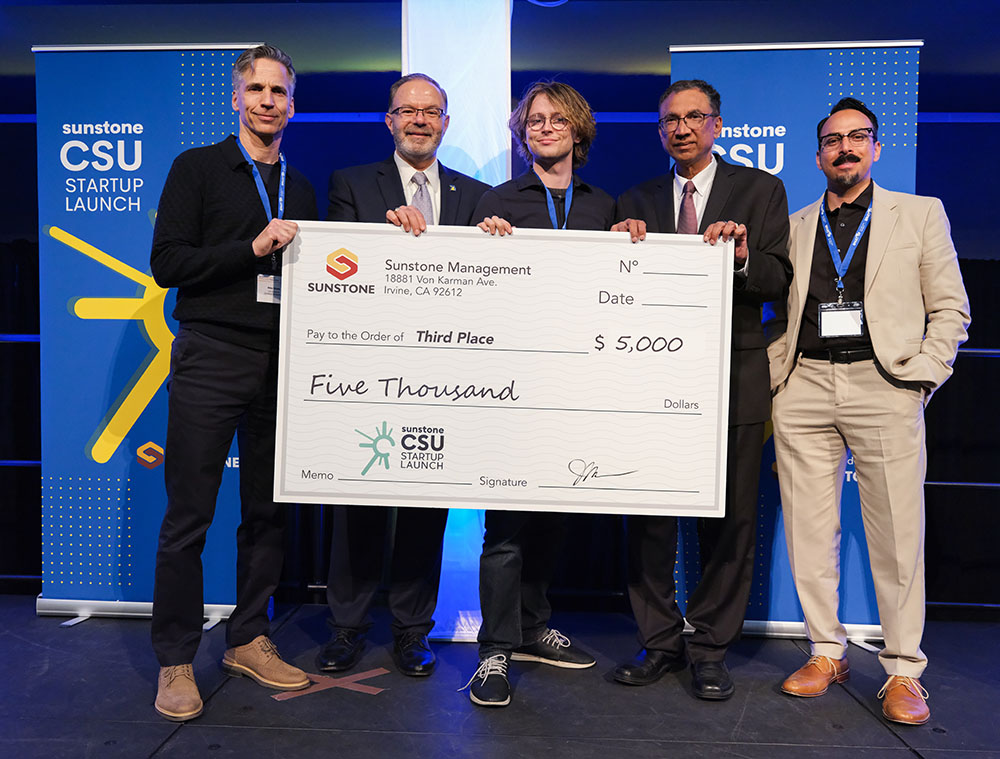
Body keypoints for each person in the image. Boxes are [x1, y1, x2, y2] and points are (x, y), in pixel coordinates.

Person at [769, 98, 970, 725]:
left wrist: (921, 379)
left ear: (877, 148)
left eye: (858, 137)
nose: (845, 147)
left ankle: (904, 668)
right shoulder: (797, 222)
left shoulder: (920, 214)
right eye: (833, 139)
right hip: (803, 383)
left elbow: (952, 309)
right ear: (819, 153)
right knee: (807, 530)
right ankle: (826, 650)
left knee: (897, 535)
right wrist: (780, 381)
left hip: (885, 383)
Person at [149, 44, 318, 722]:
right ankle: (175, 659)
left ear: (292, 104)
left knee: (268, 510)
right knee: (190, 513)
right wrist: (248, 250)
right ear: (236, 97)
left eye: (279, 91)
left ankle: (249, 636)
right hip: (212, 352)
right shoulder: (197, 168)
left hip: (284, 360)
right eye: (257, 89)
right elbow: (167, 263)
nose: (268, 101)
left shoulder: (299, 186)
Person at [611, 79, 791, 700]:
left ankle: (710, 647)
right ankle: (659, 642)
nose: (681, 128)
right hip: (651, 379)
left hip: (734, 378)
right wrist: (616, 253)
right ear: (660, 131)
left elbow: (776, 279)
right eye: (670, 121)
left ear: (717, 124)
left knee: (732, 519)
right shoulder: (633, 200)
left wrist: (740, 256)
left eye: (694, 117)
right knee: (651, 522)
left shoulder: (761, 190)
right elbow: (613, 296)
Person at [319, 73, 489, 678]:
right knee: (358, 505)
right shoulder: (351, 185)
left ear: (445, 122)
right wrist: (378, 239)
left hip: (443, 375)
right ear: (388, 120)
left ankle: (413, 632)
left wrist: (499, 242)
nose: (419, 120)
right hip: (369, 371)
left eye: (431, 111)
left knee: (425, 508)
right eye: (407, 111)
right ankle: (346, 629)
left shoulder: (477, 195)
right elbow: (335, 269)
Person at [464, 81, 614, 707]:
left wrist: (633, 236)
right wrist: (480, 242)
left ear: (578, 130)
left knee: (553, 518)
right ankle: (494, 651)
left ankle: (531, 627)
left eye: (556, 120)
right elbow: (469, 294)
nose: (544, 128)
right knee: (505, 530)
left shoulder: (606, 206)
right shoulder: (497, 203)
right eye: (533, 121)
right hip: (511, 389)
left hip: (577, 387)